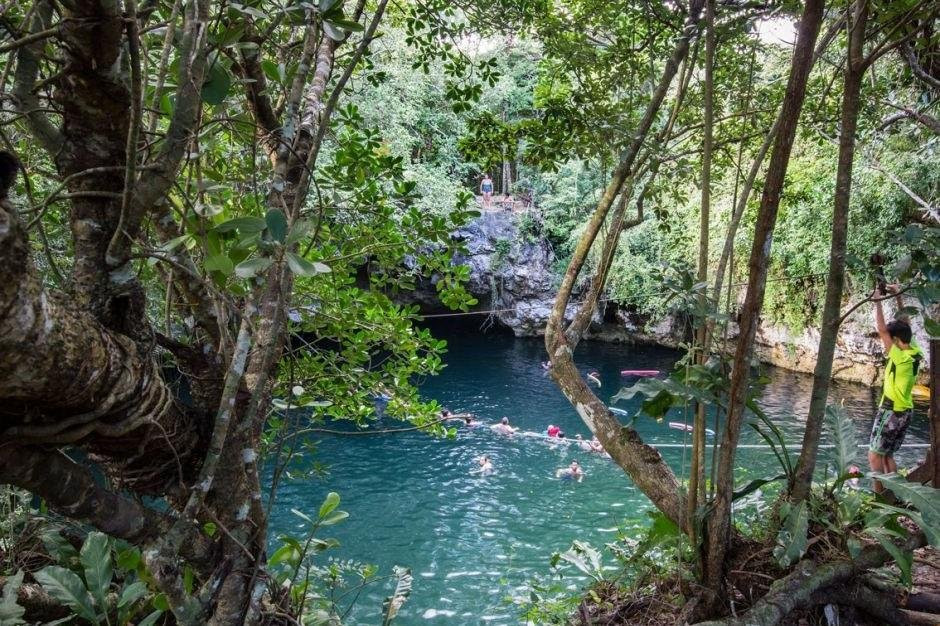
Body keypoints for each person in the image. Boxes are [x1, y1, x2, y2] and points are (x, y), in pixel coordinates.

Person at [868, 286, 923, 494]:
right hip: (905, 411)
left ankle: (879, 496)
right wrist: (898, 295)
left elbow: (882, 329)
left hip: (890, 412)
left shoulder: (899, 357)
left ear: (897, 342)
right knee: (887, 455)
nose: (886, 344)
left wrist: (877, 301)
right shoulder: (914, 350)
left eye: (890, 341)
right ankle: (892, 496)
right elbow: (906, 324)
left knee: (874, 456)